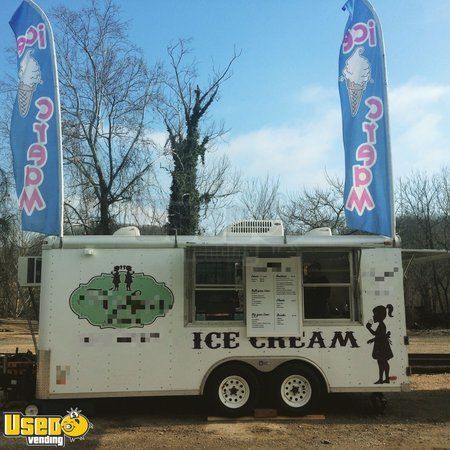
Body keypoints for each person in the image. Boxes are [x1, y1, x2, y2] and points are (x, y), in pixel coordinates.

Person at [366, 304, 394, 384]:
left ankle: (384, 379)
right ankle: (383, 379)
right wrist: (369, 328)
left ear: (379, 315)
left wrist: (371, 336)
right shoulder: (381, 325)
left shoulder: (382, 325)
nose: (373, 316)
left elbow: (379, 336)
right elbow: (377, 334)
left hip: (382, 346)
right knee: (382, 362)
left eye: (374, 314)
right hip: (381, 345)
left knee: (383, 362)